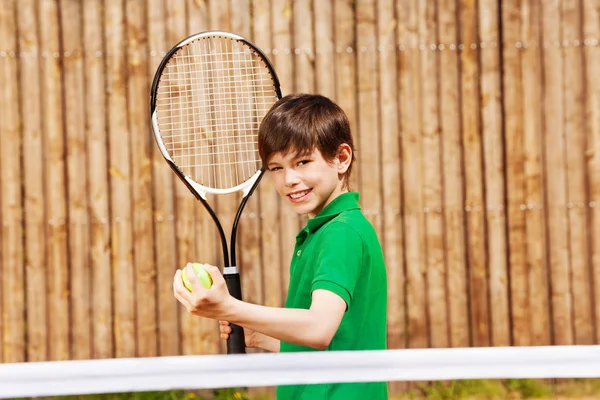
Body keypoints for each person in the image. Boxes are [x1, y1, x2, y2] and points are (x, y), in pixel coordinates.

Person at [173, 93, 388, 400]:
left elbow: (318, 328)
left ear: (341, 158)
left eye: (303, 161)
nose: (289, 179)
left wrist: (230, 307)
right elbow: (332, 344)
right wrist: (257, 335)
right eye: (276, 167)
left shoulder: (341, 234)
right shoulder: (328, 231)